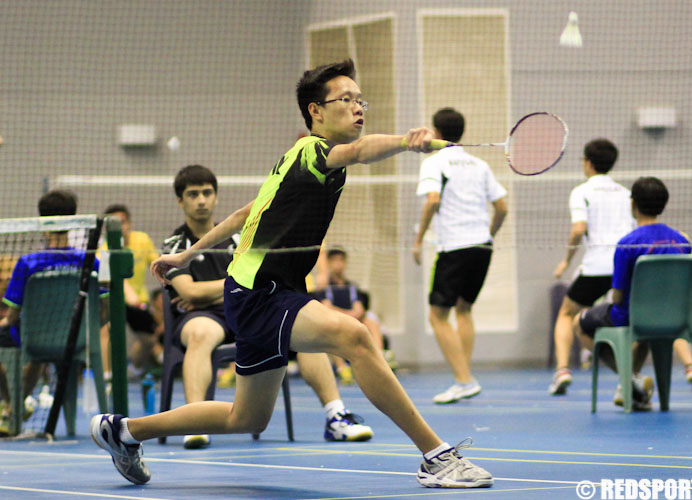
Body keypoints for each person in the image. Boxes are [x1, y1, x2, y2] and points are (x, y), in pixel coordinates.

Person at [91, 59, 493, 489]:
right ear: (316, 111)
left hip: (256, 290)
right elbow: (358, 152)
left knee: (244, 416)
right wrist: (406, 142)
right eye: (346, 100)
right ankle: (436, 456)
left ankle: (124, 431)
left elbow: (250, 211)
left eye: (362, 101)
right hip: (260, 291)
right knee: (355, 337)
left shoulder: (296, 161)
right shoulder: (313, 151)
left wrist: (189, 253)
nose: (358, 108)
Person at [161, 164, 373, 449]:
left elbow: (234, 285)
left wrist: (211, 291)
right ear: (180, 200)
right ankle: (197, 423)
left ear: (216, 197)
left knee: (306, 330)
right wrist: (230, 286)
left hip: (248, 311)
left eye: (207, 193)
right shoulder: (175, 244)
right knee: (202, 332)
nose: (201, 200)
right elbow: (189, 293)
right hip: (203, 317)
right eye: (193, 194)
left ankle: (336, 416)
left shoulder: (239, 237)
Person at [572, 176, 692, 411]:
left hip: (633, 315)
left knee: (578, 322)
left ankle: (630, 377)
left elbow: (617, 296)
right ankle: (632, 384)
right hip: (672, 315)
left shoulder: (627, 243)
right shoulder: (681, 241)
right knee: (645, 333)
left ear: (633, 204)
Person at [412, 108, 508, 405]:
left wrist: (417, 240)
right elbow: (502, 207)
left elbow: (432, 200)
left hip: (454, 246)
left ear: (436, 132)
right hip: (482, 246)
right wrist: (488, 234)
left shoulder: (434, 162)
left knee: (437, 315)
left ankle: (464, 380)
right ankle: (464, 378)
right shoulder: (479, 164)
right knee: (464, 310)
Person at [0, 190, 99, 429]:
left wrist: (6, 323)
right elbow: (102, 310)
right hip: (78, 339)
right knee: (36, 355)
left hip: (33, 339)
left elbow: (12, 317)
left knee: (22, 344)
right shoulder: (90, 261)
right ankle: (14, 407)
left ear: (42, 221)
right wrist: (89, 331)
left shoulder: (28, 263)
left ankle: (9, 405)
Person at [549, 139, 634, 395]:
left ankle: (562, 370)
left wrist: (566, 260)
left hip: (596, 266)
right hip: (623, 267)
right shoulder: (626, 193)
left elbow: (578, 230)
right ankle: (629, 375)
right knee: (624, 321)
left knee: (566, 313)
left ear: (587, 162)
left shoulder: (581, 191)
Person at [101, 204, 161, 378]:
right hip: (113, 301)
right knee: (106, 329)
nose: (120, 227)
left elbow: (157, 263)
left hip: (138, 301)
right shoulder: (103, 251)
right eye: (114, 224)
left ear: (129, 223)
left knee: (150, 339)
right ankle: (107, 376)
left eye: (123, 222)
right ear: (106, 228)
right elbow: (117, 280)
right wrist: (128, 294)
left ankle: (135, 367)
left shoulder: (142, 240)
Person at [313, 246, 385, 385]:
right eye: (334, 261)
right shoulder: (324, 288)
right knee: (329, 328)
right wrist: (348, 315)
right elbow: (326, 308)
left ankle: (378, 362)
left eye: (341, 260)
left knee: (372, 322)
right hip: (335, 323)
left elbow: (359, 309)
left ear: (345, 263)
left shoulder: (352, 287)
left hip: (352, 321)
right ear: (327, 264)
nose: (338, 264)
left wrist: (349, 315)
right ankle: (343, 369)